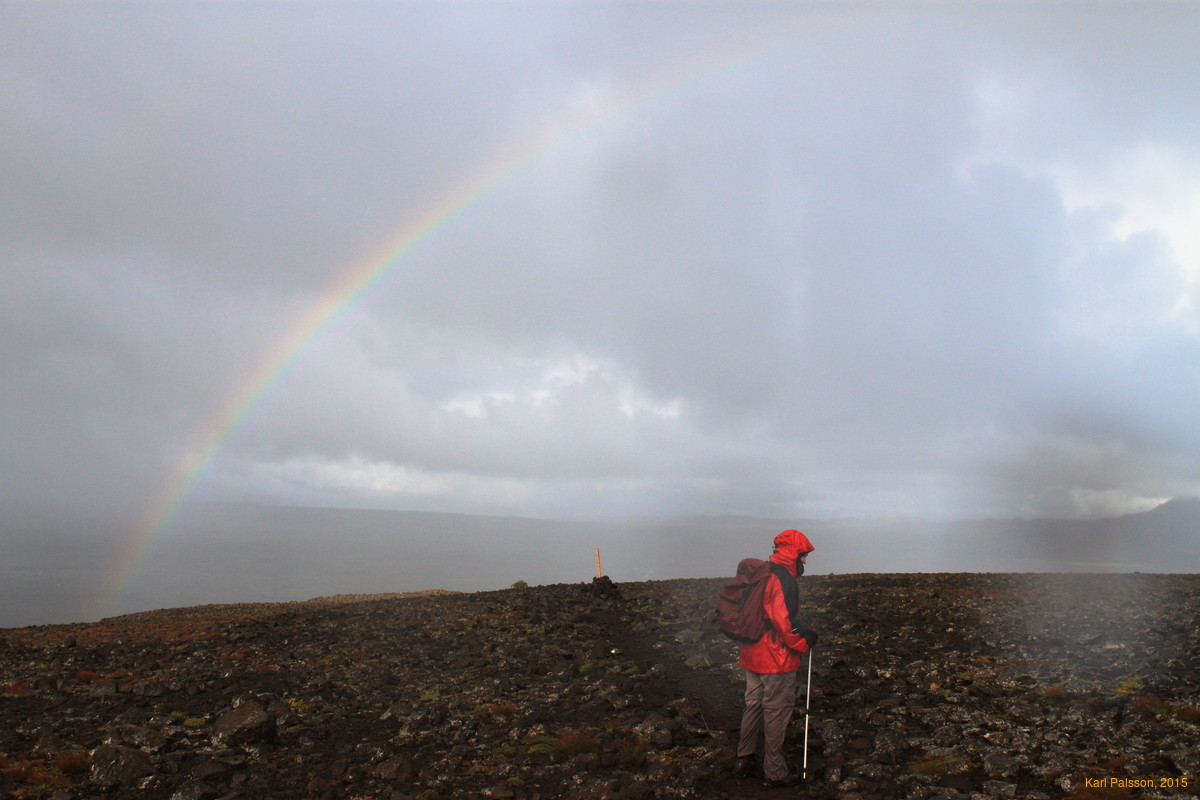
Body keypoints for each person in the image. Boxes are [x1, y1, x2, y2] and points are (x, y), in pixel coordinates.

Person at [733, 529, 818, 787]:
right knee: (776, 710)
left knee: (754, 704)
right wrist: (804, 642)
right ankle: (775, 772)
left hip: (751, 652)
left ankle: (744, 758)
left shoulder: (760, 573)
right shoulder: (783, 580)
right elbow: (783, 623)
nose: (805, 561)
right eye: (803, 556)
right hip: (775, 657)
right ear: (794, 554)